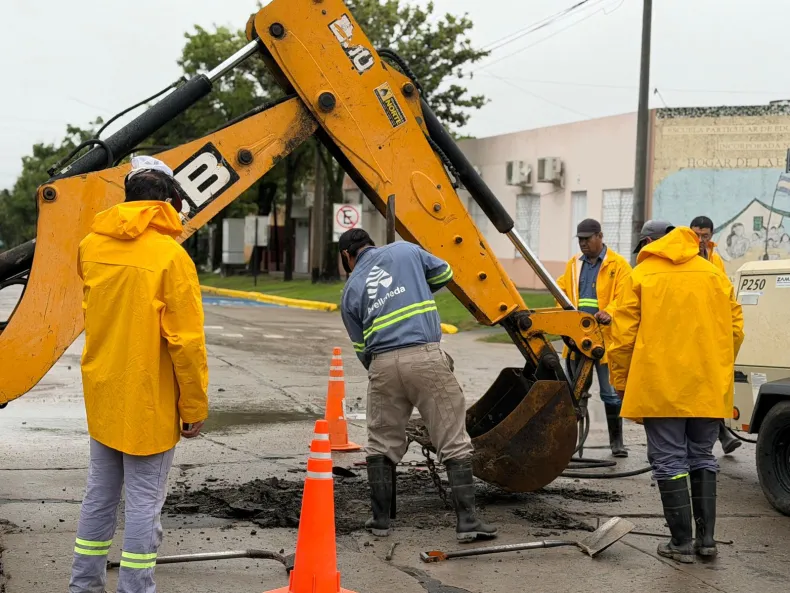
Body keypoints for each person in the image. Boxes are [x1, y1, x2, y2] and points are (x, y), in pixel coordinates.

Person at [70, 156, 209, 593]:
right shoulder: (171, 257)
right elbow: (186, 344)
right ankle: (135, 588)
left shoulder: (90, 246)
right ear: (168, 202)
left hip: (104, 394)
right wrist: (193, 407)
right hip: (148, 400)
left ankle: (83, 585)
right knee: (144, 501)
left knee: (100, 494)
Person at [338, 228, 497, 542]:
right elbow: (445, 273)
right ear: (370, 243)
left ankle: (380, 520)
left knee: (381, 442)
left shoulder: (350, 290)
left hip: (381, 364)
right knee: (452, 438)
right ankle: (467, 522)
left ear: (347, 255)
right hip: (424, 357)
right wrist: (414, 287)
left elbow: (361, 349)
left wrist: (384, 371)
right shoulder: (405, 251)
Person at [608, 220, 744, 564]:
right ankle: (706, 541)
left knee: (669, 460)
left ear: (650, 243)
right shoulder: (713, 274)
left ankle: (681, 543)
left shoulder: (641, 275)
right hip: (706, 385)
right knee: (702, 455)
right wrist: (716, 368)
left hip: (660, 386)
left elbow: (622, 338)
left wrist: (621, 382)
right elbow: (735, 329)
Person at [557, 218, 632, 457]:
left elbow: (626, 297)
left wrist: (609, 312)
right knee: (576, 392)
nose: (583, 243)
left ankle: (617, 442)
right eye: (580, 239)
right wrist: (563, 320)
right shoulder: (573, 265)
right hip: (578, 339)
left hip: (606, 341)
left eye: (587, 239)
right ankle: (571, 444)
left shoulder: (618, 265)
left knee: (610, 392)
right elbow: (561, 293)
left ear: (600, 236)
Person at [690, 215, 742, 456]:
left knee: (711, 387)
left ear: (711, 235)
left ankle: (718, 435)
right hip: (690, 329)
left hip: (710, 330)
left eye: (705, 235)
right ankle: (719, 436)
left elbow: (724, 295)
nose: (700, 239)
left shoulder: (716, 260)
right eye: (696, 235)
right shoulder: (682, 258)